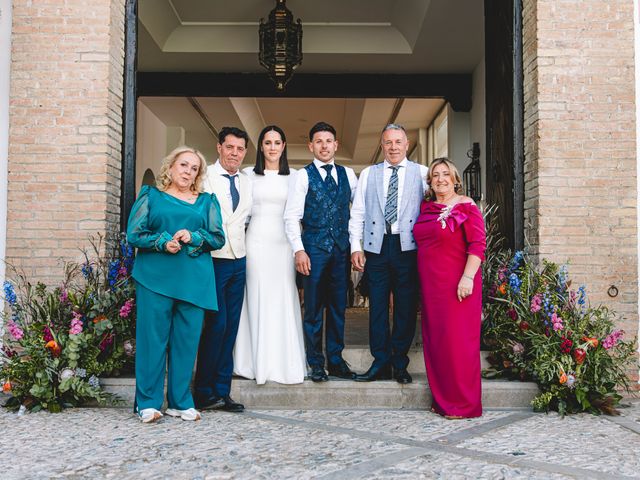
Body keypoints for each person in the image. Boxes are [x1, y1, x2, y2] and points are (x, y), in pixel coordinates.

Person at [126, 146, 225, 423]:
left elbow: (218, 238)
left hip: (194, 281)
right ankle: (148, 403)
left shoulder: (207, 202)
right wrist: (161, 242)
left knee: (186, 343)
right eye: (183, 165)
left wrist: (193, 236)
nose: (188, 172)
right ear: (170, 167)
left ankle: (180, 402)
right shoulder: (151, 196)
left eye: (194, 169)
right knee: (152, 341)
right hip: (155, 279)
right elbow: (134, 234)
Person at [349, 124, 428, 383]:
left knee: (405, 307)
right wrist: (356, 247)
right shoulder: (369, 174)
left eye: (398, 142)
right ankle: (380, 362)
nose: (393, 147)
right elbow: (358, 212)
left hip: (409, 248)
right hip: (376, 247)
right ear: (381, 146)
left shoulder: (423, 173)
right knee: (378, 308)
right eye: (388, 142)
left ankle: (400, 363)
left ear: (407, 144)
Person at [284, 121, 358, 382]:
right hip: (313, 249)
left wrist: (356, 246)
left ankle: (336, 361)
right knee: (313, 309)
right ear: (311, 146)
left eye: (329, 141)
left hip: (340, 249)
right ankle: (315, 362)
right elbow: (292, 216)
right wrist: (299, 250)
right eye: (319, 141)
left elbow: (357, 214)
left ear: (336, 145)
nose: (324, 146)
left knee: (338, 307)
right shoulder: (302, 176)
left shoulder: (349, 174)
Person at [413, 157, 486, 419]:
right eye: (435, 175)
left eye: (446, 174)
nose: (441, 179)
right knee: (438, 343)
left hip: (458, 285)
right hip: (433, 287)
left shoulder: (466, 206)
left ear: (455, 179)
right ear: (430, 182)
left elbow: (477, 245)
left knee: (459, 343)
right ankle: (443, 400)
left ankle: (464, 405)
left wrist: (467, 278)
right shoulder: (427, 208)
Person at [233, 125, 306, 384]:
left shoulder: (296, 176)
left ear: (284, 146)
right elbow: (241, 214)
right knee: (256, 296)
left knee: (282, 296)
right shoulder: (247, 175)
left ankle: (284, 363)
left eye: (277, 142)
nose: (272, 147)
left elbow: (298, 213)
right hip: (255, 242)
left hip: (284, 244)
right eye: (267, 143)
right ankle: (252, 363)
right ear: (261, 147)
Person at [194, 127, 252, 413]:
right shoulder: (204, 178)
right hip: (214, 260)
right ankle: (202, 392)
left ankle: (222, 391)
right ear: (219, 148)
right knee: (215, 326)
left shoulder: (247, 181)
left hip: (239, 260)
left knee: (230, 328)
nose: (235, 153)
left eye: (240, 149)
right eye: (230, 147)